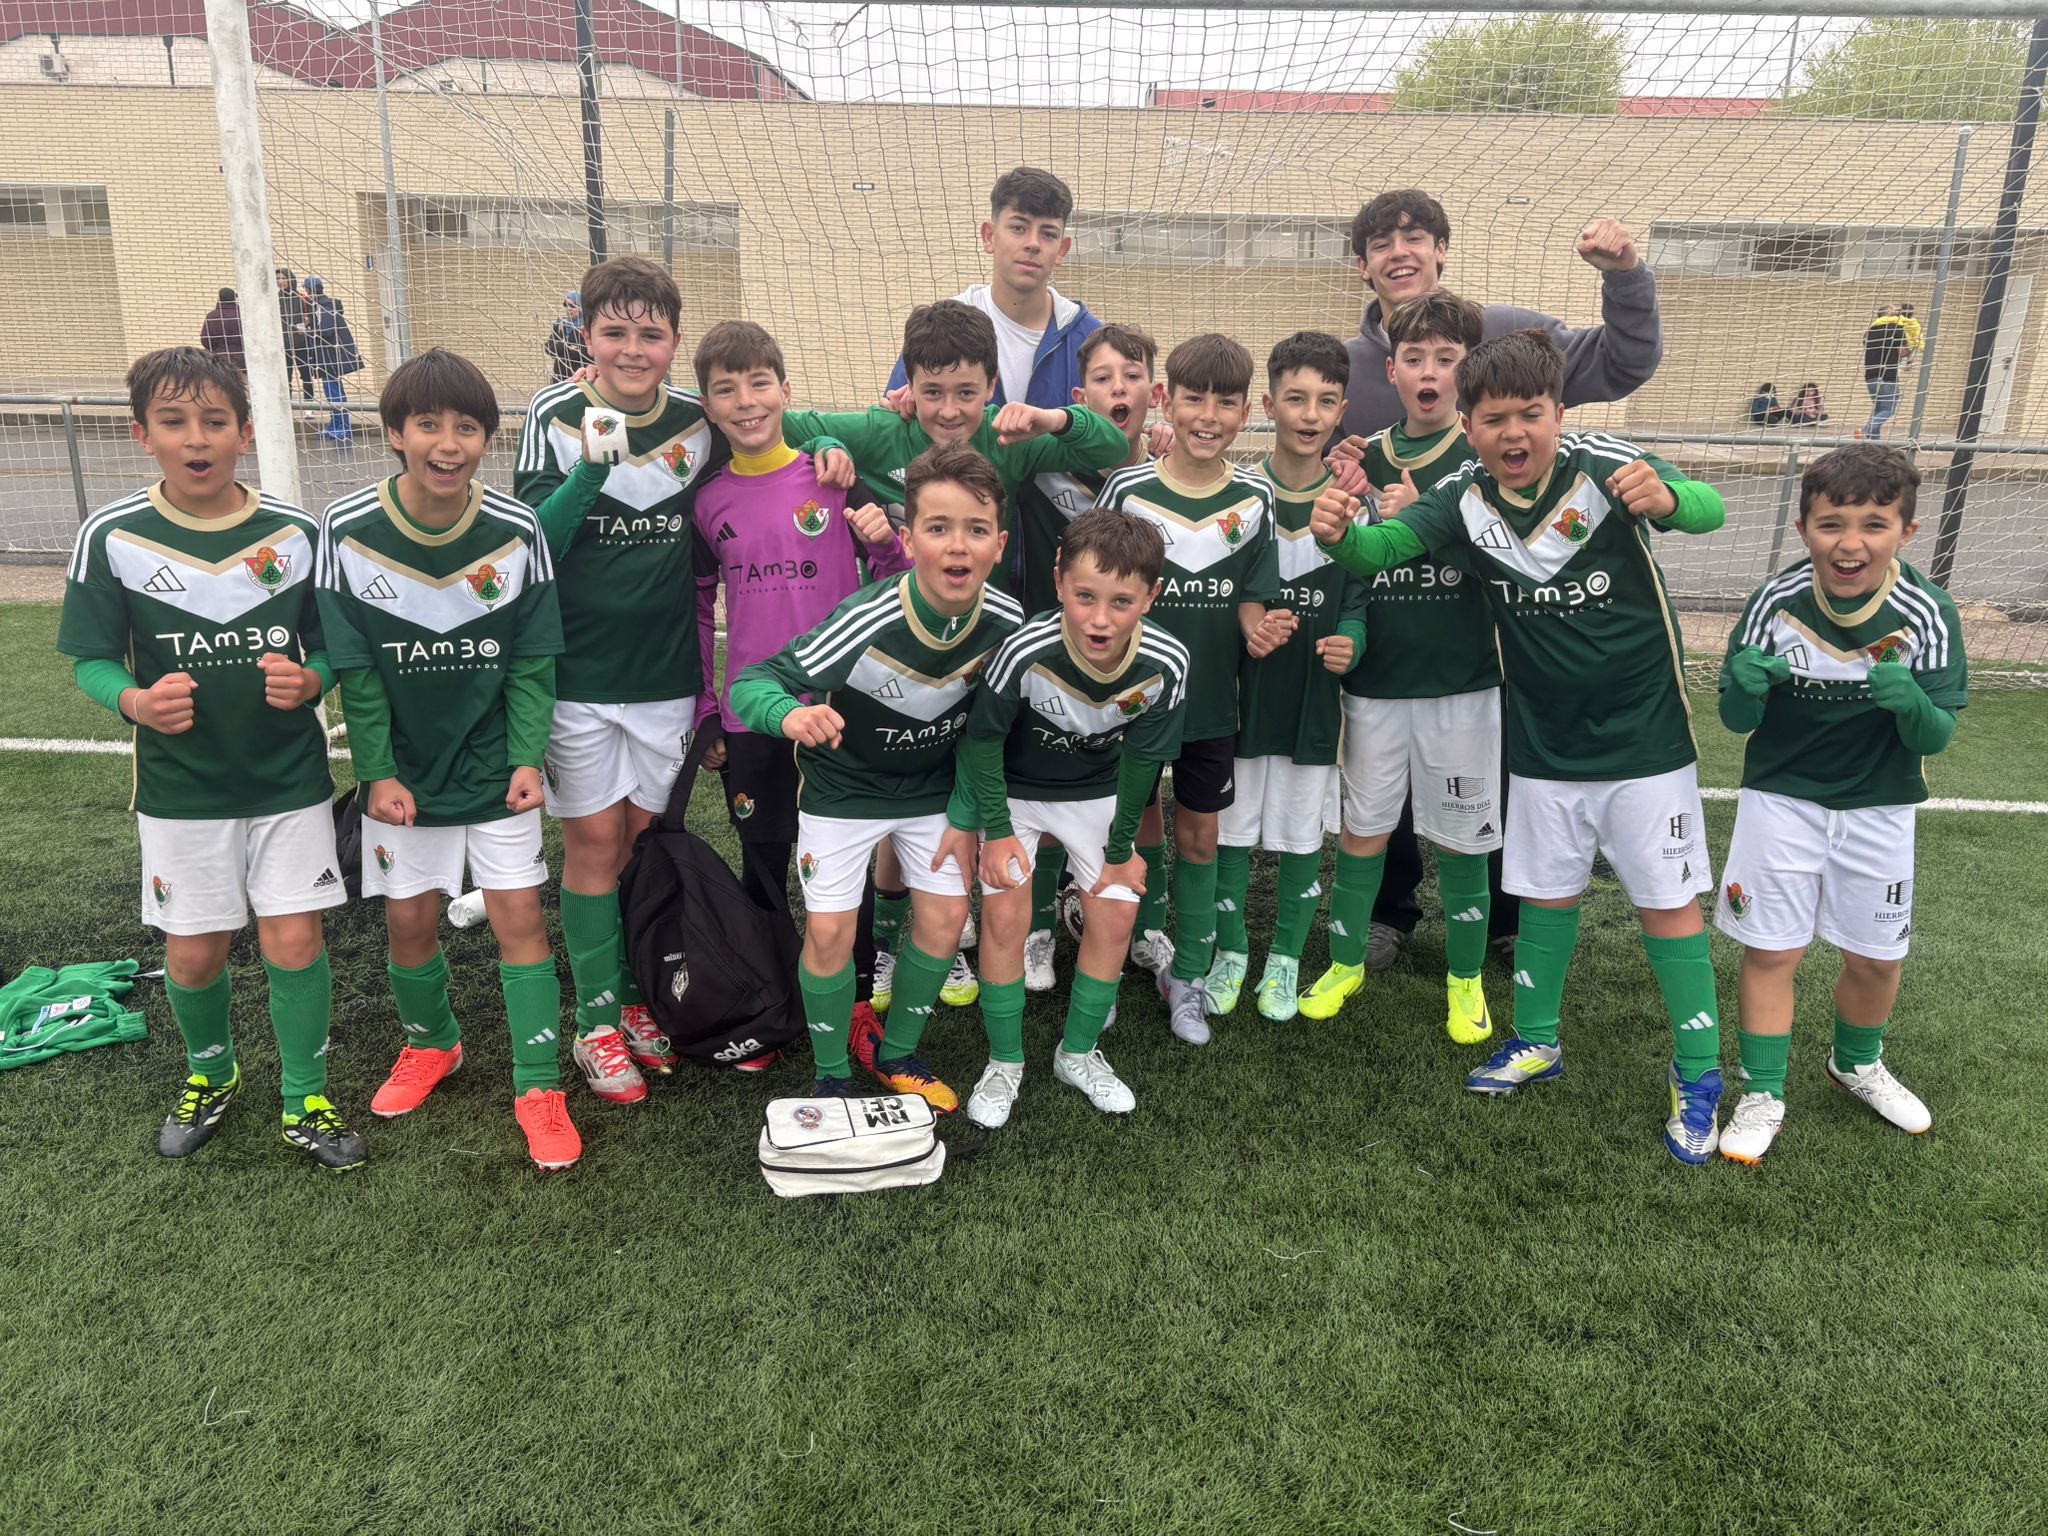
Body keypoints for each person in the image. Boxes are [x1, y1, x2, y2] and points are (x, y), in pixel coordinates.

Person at [1312, 329, 1730, 1165]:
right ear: (1468, 427)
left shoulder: (1605, 464)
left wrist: (1674, 500)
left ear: (1559, 414)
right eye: (1494, 418)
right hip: (1539, 745)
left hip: (1644, 742)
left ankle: (1700, 1075)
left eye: (1530, 416)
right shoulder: (1464, 498)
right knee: (1545, 897)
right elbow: (1383, 549)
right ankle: (1536, 1040)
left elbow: (1708, 508)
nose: (1513, 435)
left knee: (1666, 908)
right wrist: (1336, 534)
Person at [1334, 189, 1664, 976]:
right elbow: (1306, 433)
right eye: (1382, 242)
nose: (1400, 252)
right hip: (1393, 624)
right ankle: (1389, 912)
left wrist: (1626, 274)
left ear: (1443, 250)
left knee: (1497, 768)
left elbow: (1623, 362)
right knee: (1388, 781)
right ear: (1362, 264)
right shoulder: (1350, 365)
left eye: (1416, 237)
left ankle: (1510, 915)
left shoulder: (1510, 331)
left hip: (1500, 620)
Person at [781, 299, 1130, 1014]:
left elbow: (1107, 445)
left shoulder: (1015, 436)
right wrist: (823, 450)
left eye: (967, 393)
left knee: (959, 786)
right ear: (907, 382)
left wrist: (1050, 417)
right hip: (892, 644)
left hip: (985, 644)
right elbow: (771, 424)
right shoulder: (884, 429)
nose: (948, 410)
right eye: (932, 391)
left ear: (992, 387)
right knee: (893, 786)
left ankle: (954, 930)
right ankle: (882, 946)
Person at [59, 346, 361, 1170]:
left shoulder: (295, 535)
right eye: (174, 420)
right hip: (180, 790)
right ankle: (212, 1073)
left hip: (288, 782)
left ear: (246, 430)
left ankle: (305, 1094)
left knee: (294, 941)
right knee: (195, 949)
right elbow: (90, 657)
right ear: (141, 435)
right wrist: (134, 700)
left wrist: (310, 682)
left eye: (215, 421)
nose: (198, 437)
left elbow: (334, 649)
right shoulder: (113, 536)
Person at [317, 348, 575, 1169]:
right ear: (396, 431)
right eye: (428, 423)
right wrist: (377, 771)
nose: (448, 441)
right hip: (407, 778)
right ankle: (435, 1043)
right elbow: (356, 671)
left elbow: (534, 662)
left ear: (485, 438)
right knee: (408, 917)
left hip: (497, 768)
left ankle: (538, 1083)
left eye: (467, 425)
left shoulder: (518, 528)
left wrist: (528, 757)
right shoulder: (346, 528)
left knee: (520, 920)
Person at [510, 257, 742, 1103]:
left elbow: (770, 430)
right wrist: (590, 469)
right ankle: (596, 1025)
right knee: (592, 846)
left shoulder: (698, 418)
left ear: (674, 342)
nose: (633, 348)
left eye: (650, 333)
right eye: (615, 332)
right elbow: (534, 541)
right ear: (588, 337)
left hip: (666, 677)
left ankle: (642, 1002)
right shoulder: (552, 412)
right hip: (577, 677)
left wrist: (826, 447)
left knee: (645, 848)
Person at [729, 444, 1024, 1108]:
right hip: (843, 792)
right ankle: (831, 1071)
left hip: (931, 795)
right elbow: (756, 680)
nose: (957, 545)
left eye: (976, 530)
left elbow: (995, 728)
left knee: (947, 921)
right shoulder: (866, 619)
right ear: (909, 537)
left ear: (999, 544)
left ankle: (898, 1054)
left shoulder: (1006, 624)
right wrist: (788, 716)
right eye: (939, 528)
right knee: (831, 933)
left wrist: (977, 814)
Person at [1713, 443, 1965, 1164]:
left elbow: (1938, 734)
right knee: (1772, 950)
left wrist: (1909, 702)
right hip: (1781, 802)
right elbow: (1735, 719)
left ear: (1906, 534)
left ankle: (1855, 1062)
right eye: (1831, 524)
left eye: (1874, 524)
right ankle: (1762, 1091)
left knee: (1878, 958)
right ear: (1803, 529)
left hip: (1879, 807)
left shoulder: (1929, 611)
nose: (1851, 542)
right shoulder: (1774, 601)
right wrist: (1745, 687)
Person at [1302, 292, 1500, 1047]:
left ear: (1468, 371)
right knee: (1363, 829)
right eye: (1415, 358)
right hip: (1377, 683)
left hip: (1462, 683)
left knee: (1464, 836)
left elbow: (1504, 570)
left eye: (1447, 360)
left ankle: (1465, 979)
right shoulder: (1364, 455)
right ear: (1391, 369)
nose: (1429, 371)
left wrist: (1426, 520)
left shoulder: (1486, 459)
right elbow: (1348, 569)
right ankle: (1346, 961)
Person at [958, 507, 1189, 1128]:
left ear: (1152, 596)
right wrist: (999, 830)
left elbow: (1144, 763)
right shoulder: (1025, 650)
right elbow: (982, 743)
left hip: (1095, 793)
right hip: (1017, 793)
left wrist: (1121, 848)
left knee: (1114, 916)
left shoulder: (1167, 663)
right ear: (1058, 580)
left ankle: (1078, 1053)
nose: (1099, 617)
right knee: (1004, 915)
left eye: (1121, 600)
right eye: (1084, 596)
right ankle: (1005, 1062)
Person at [1096, 333, 1292, 1047]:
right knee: (1130, 831)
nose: (1208, 415)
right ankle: (1125, 957)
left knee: (1200, 836)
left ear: (1247, 412)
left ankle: (1191, 977)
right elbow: (1102, 597)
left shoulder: (1255, 499)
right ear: (1165, 402)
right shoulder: (1125, 491)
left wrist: (1258, 631)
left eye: (1226, 401)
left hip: (1212, 706)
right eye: (1194, 398)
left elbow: (1249, 598)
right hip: (1132, 704)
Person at [689, 318, 908, 943]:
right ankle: (769, 996)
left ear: (786, 390)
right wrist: (710, 707)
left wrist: (886, 545)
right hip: (754, 712)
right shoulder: (707, 501)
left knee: (846, 866)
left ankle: (860, 995)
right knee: (763, 860)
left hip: (842, 705)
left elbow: (901, 579)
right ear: (708, 406)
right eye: (726, 390)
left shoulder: (832, 476)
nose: (746, 401)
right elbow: (702, 611)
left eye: (760, 383)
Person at [1204, 332, 1363, 1023]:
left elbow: (1363, 597)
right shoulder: (1238, 497)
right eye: (1295, 398)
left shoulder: (1355, 503)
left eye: (1325, 401)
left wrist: (1351, 642)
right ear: (1268, 403)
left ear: (1341, 411)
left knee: (1302, 836)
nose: (1309, 413)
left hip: (1313, 705)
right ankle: (1232, 950)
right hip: (1241, 700)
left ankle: (1286, 959)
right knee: (1231, 835)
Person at [1011, 323, 1167, 990]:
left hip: (1129, 660)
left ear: (1152, 392)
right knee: (1047, 786)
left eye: (1130, 377)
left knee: (1143, 786)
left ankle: (1149, 922)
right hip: (1050, 653)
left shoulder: (1160, 471)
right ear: (1081, 393)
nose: (1118, 388)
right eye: (1103, 379)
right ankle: (1040, 932)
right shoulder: (1043, 458)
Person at [887, 166, 1102, 413]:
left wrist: (1148, 437)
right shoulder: (937, 329)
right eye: (1018, 228)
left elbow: (1117, 437)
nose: (1033, 243)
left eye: (1048, 234)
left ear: (1063, 250)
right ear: (989, 236)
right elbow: (891, 425)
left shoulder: (1092, 339)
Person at [303, 277, 362, 444]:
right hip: (329, 356)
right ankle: (335, 425)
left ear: (309, 291)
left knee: (335, 394)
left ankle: (342, 428)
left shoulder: (323, 306)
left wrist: (306, 331)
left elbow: (326, 331)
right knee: (332, 393)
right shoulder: (323, 306)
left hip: (330, 357)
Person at [1862, 304, 1912, 440]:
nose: (1898, 312)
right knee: (1887, 410)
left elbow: (1866, 343)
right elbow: (1902, 352)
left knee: (1878, 410)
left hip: (1871, 377)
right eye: (1894, 309)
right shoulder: (1897, 328)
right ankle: (1866, 429)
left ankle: (1873, 446)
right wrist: (1909, 352)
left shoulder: (1870, 330)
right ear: (1888, 314)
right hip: (1887, 376)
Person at [276, 266, 314, 400]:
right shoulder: (274, 300)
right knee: (285, 376)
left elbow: (312, 317)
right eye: (278, 279)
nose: (280, 281)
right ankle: (288, 405)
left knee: (306, 374)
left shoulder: (302, 298)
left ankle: (310, 405)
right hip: (282, 345)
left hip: (301, 343)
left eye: (283, 278)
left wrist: (308, 321)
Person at [198, 288, 245, 376]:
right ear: (234, 298)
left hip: (218, 360)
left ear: (219, 299)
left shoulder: (211, 316)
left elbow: (205, 340)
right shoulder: (242, 315)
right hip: (243, 359)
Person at [546, 290, 590, 382]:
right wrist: (567, 348)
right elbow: (548, 348)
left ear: (581, 307)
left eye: (572, 306)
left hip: (581, 379)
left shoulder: (588, 327)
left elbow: (589, 352)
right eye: (566, 305)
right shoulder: (560, 325)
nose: (569, 309)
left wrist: (563, 349)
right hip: (560, 378)